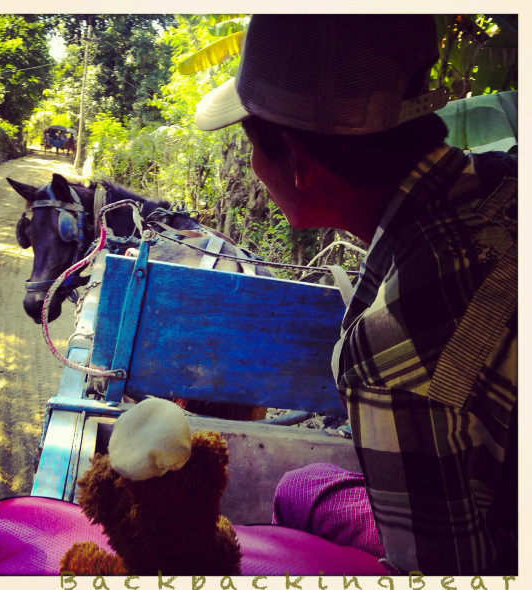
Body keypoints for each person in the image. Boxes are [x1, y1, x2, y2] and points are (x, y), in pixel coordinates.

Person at [194, 15, 517, 575]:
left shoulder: (390, 349)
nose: (252, 164)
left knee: (301, 488)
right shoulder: (506, 178)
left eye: (252, 145)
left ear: (298, 164)